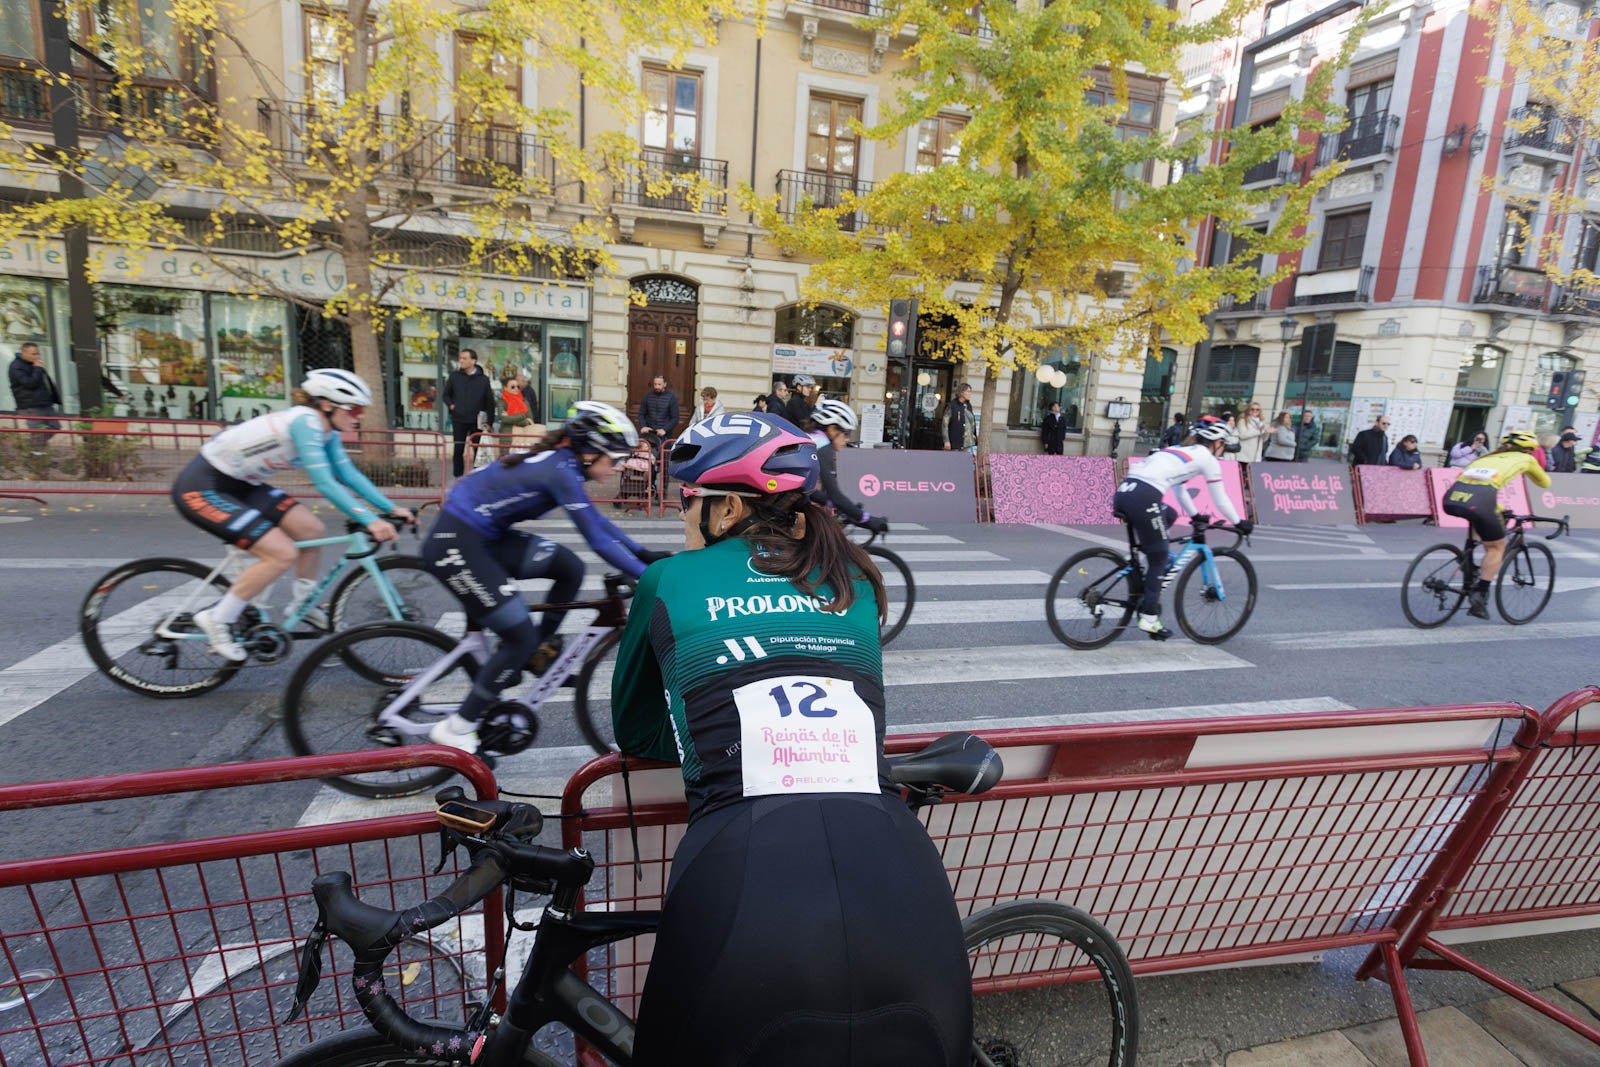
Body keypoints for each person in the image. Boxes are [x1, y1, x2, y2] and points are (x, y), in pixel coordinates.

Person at [611, 411, 972, 1067]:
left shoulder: (668, 580)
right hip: (898, 867)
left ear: (723, 508)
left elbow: (635, 727)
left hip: (740, 873)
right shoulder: (852, 579)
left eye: (688, 500)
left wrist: (717, 741)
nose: (682, 516)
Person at [422, 401, 668, 754]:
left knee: (569, 568)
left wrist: (642, 554)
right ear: (589, 453)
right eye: (613, 459)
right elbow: (596, 540)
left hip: (481, 535)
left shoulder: (565, 462)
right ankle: (458, 727)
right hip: (457, 542)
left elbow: (597, 523)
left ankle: (536, 652)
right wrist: (650, 579)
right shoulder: (560, 470)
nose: (616, 467)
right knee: (517, 636)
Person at [170, 370, 413, 661]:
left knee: (310, 529)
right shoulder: (306, 422)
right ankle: (218, 618)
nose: (359, 416)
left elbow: (347, 474)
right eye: (355, 409)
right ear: (326, 405)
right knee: (280, 553)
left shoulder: (327, 430)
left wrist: (389, 508)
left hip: (242, 485)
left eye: (362, 410)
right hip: (204, 487)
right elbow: (325, 482)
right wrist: (370, 520)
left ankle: (302, 606)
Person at [1113, 417, 1251, 640]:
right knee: (1159, 557)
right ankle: (1149, 618)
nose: (1222, 449)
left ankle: (1148, 551)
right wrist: (1239, 522)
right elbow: (1221, 499)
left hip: (1124, 493)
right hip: (1144, 497)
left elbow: (1180, 491)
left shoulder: (1180, 450)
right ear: (1216, 442)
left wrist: (1195, 515)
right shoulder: (1207, 459)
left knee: (1169, 514)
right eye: (1223, 444)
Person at [1442, 430, 1552, 619]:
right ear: (1529, 450)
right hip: (1481, 500)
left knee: (1479, 517)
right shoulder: (1526, 459)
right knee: (1496, 548)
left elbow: (1473, 485)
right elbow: (1545, 483)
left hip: (1452, 498)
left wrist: (1498, 507)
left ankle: (1469, 564)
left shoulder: (1486, 457)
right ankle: (1480, 593)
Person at [809, 398, 889, 534]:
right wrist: (867, 519)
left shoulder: (815, 439)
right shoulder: (822, 446)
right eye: (846, 434)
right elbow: (834, 494)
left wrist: (845, 508)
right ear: (832, 429)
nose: (847, 440)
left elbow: (810, 491)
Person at [442, 348, 496, 478]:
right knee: (458, 449)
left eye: (465, 358)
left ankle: (478, 477)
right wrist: (452, 406)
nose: (461, 361)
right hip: (459, 419)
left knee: (478, 451)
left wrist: (489, 422)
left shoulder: (483, 379)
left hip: (477, 420)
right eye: (460, 358)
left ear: (473, 361)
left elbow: (489, 402)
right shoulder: (455, 376)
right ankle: (458, 478)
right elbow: (446, 395)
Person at [8, 342, 63, 454]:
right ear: (23, 353)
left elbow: (45, 381)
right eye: (33, 354)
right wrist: (37, 369)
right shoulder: (16, 366)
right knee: (38, 432)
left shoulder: (33, 364)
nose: (37, 356)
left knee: (54, 426)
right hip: (31, 405)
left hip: (45, 403)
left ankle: (35, 453)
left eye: (38, 354)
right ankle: (36, 459)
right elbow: (29, 383)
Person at [637, 373, 680, 451]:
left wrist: (665, 429)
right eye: (655, 384)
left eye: (659, 384)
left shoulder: (671, 398)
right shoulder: (647, 396)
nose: (657, 387)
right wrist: (643, 426)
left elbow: (675, 418)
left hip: (664, 435)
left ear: (665, 384)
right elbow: (641, 414)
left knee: (664, 459)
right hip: (648, 434)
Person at [943, 381, 978, 453]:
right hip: (955, 441)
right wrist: (946, 440)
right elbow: (945, 424)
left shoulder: (969, 406)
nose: (970, 394)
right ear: (961, 392)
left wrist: (975, 436)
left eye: (970, 391)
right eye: (968, 391)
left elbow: (972, 423)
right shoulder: (952, 405)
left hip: (968, 443)